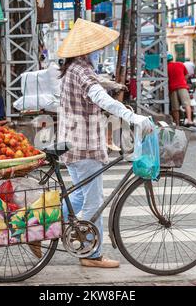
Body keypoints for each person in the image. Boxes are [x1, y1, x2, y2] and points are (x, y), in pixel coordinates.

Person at [53, 19, 154, 268]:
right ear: (87, 49)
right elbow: (98, 96)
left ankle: (39, 227)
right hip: (84, 145)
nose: (98, 52)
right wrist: (132, 116)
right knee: (93, 202)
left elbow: (94, 86)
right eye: (96, 48)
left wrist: (111, 85)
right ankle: (91, 254)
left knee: (78, 197)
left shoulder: (72, 69)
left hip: (71, 143)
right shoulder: (82, 71)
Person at [167, 53, 195, 127]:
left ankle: (177, 124)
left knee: (175, 107)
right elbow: (187, 75)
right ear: (172, 59)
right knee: (187, 104)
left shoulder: (166, 67)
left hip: (172, 88)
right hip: (182, 86)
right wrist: (183, 81)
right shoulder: (180, 64)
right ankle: (189, 120)